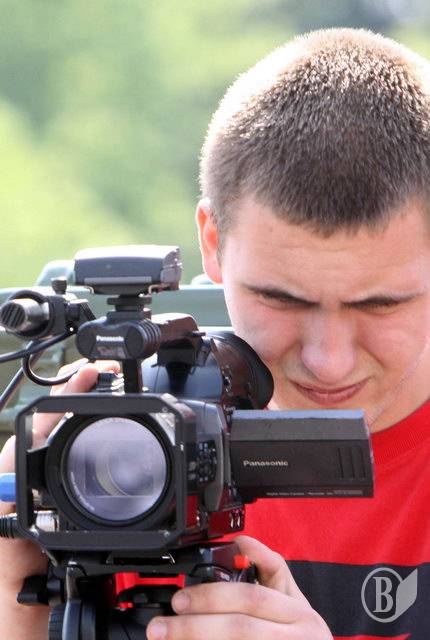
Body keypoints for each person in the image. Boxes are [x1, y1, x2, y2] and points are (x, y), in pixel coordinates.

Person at [1, 26, 430, 639]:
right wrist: (16, 599)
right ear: (212, 241)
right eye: (280, 298)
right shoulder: (113, 451)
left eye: (381, 305)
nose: (328, 360)